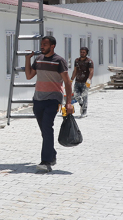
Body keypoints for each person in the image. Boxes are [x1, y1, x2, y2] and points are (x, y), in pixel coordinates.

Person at [24, 36, 74, 172]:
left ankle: (46, 161)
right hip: (38, 98)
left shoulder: (59, 61)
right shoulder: (38, 60)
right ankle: (51, 155)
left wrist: (68, 103)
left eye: (45, 44)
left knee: (47, 127)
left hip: (53, 99)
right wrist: (27, 59)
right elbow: (29, 76)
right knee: (44, 130)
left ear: (52, 46)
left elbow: (68, 83)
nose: (42, 47)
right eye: (41, 44)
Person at [70, 47, 94, 118]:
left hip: (85, 82)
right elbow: (75, 71)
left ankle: (84, 112)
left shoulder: (89, 61)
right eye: (81, 52)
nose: (82, 53)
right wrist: (71, 80)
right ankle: (82, 105)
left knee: (84, 96)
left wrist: (89, 80)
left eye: (84, 52)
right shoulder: (77, 61)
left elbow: (91, 71)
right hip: (77, 81)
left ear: (86, 53)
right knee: (76, 95)